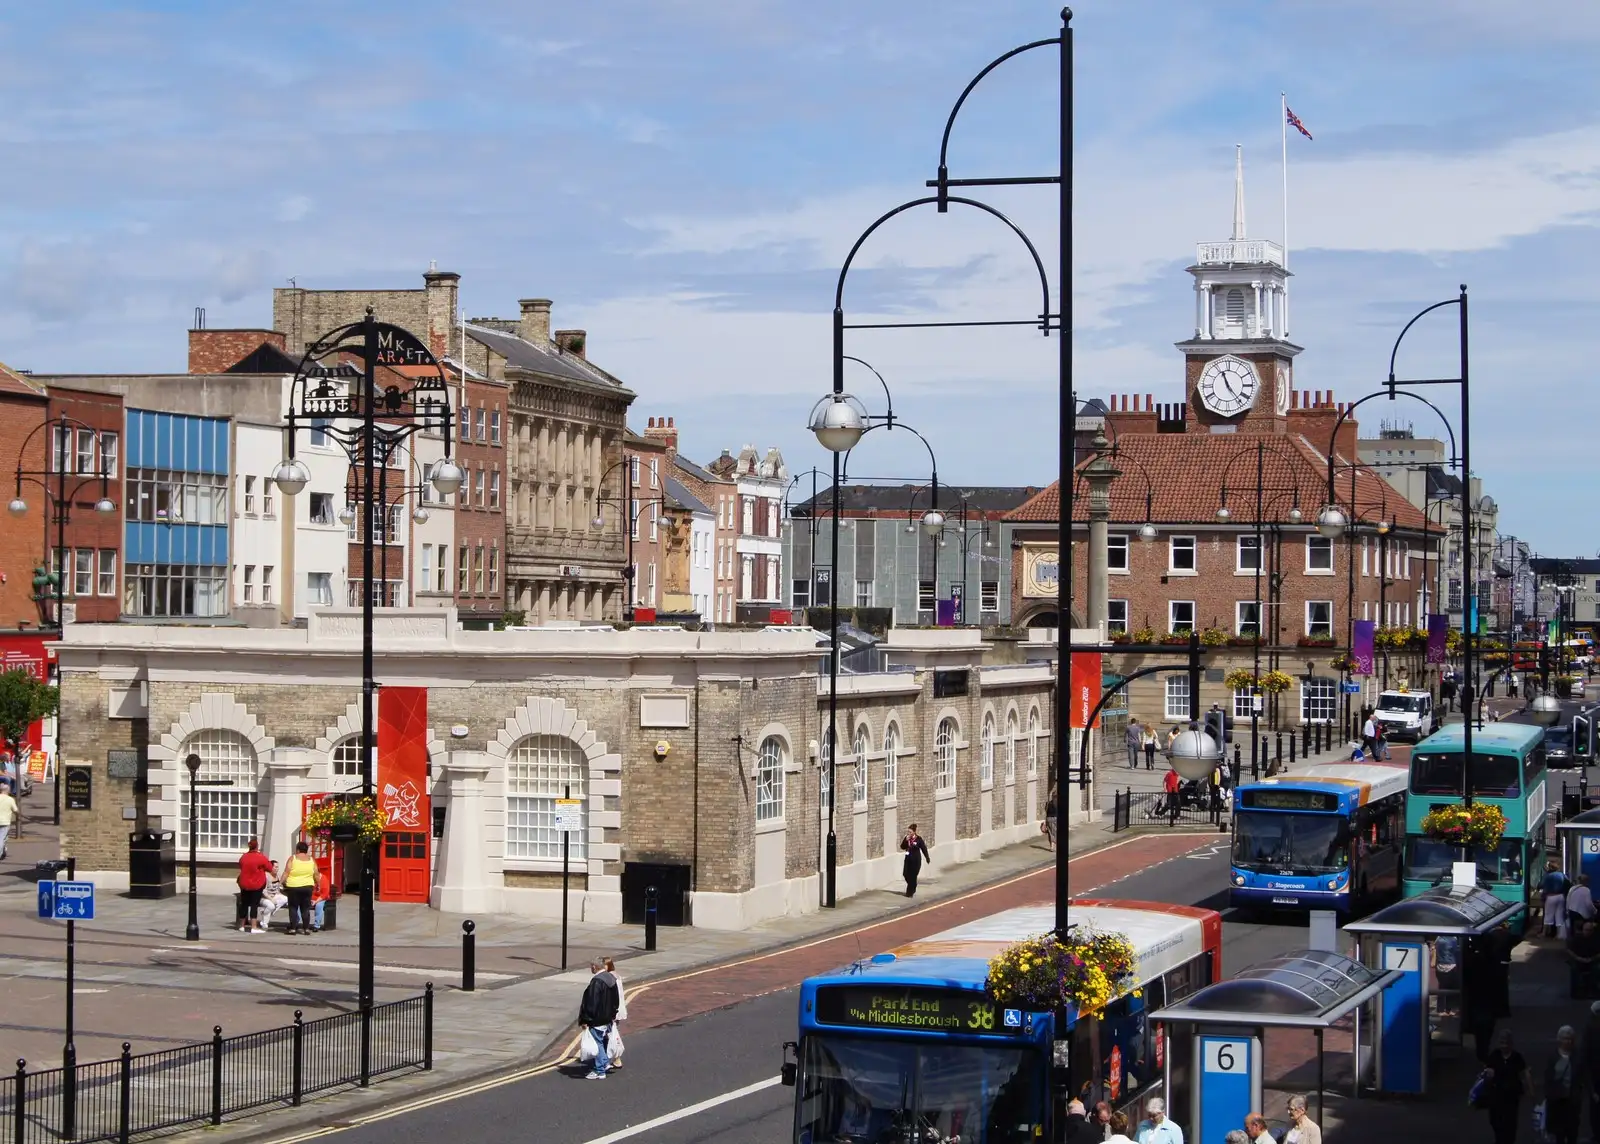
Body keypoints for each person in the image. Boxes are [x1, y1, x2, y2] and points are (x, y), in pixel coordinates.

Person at [1481, 1028, 1531, 1144]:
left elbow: (1524, 1073)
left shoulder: (1516, 1057)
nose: (1504, 1046)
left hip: (1511, 1096)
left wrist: (1530, 1090)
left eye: (1506, 1043)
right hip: (1496, 1095)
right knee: (1495, 1120)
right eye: (1502, 1043)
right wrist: (1488, 1074)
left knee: (1510, 1123)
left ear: (1511, 1044)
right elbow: (1486, 1070)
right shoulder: (1495, 1055)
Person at [578, 959, 621, 1080]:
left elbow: (592, 1002)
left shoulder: (596, 982)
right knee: (601, 1041)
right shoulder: (610, 978)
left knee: (597, 1043)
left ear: (594, 967)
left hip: (597, 1019)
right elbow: (616, 1000)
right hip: (607, 1018)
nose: (590, 968)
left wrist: (586, 1019)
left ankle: (600, 1070)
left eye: (591, 966)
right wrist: (613, 1014)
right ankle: (605, 1064)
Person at [1543, 1024, 1582, 1144]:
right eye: (1565, 1038)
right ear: (1559, 1039)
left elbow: (1582, 1075)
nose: (1568, 1041)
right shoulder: (1553, 1057)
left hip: (1573, 1101)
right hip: (1557, 1101)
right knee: (1559, 1134)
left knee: (1572, 1134)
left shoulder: (1578, 1056)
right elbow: (1548, 1079)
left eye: (1570, 1038)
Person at [282, 841, 320, 935]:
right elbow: (316, 873)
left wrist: (281, 882)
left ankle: (293, 929)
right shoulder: (311, 860)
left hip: (293, 887)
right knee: (305, 908)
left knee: (293, 907)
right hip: (307, 887)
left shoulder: (293, 858)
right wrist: (318, 884)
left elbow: (286, 872)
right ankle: (306, 928)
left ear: (298, 850)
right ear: (306, 850)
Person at [236, 838, 272, 933]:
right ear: (257, 846)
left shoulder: (243, 857)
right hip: (256, 884)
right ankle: (253, 927)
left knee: (244, 904)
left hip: (244, 884)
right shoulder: (260, 857)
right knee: (254, 905)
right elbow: (269, 867)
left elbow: (240, 865)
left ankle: (241, 925)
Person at [602, 956, 628, 1069]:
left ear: (607, 965)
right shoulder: (616, 976)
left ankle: (614, 1059)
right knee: (611, 1034)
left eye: (603, 965)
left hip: (612, 1011)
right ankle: (613, 1059)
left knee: (610, 1035)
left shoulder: (610, 977)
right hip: (617, 1010)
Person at [899, 824, 931, 897]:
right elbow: (902, 847)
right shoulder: (907, 838)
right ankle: (913, 886)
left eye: (910, 832)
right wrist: (905, 841)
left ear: (914, 832)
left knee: (913, 876)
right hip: (908, 859)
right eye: (908, 832)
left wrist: (927, 857)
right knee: (905, 874)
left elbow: (924, 848)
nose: (909, 834)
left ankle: (910, 892)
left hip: (916, 860)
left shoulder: (918, 839)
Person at [1544, 860, 1572, 940]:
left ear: (1550, 867)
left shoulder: (1548, 876)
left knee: (1548, 915)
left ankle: (1544, 933)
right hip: (1561, 896)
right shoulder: (1562, 875)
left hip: (1551, 896)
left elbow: (1542, 885)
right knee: (1559, 916)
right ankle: (1559, 935)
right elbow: (1568, 885)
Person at [255, 861, 285, 933]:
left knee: (285, 899)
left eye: (278, 867)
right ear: (271, 867)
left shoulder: (278, 875)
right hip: (263, 897)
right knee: (271, 906)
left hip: (274, 895)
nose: (277, 869)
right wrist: (271, 899)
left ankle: (265, 912)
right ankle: (264, 923)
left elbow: (279, 888)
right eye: (276, 867)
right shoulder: (266, 876)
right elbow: (263, 891)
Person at [0, 778, 16, 860]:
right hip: (5, 822)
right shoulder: (10, 799)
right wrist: (18, 816)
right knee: (2, 838)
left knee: (4, 838)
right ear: (7, 791)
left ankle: (3, 851)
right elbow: (16, 810)